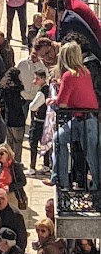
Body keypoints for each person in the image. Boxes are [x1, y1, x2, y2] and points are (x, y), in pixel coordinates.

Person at [50, 40, 100, 188]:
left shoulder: (68, 75)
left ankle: (62, 181)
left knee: (92, 158)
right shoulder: (85, 71)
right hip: (86, 119)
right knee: (60, 139)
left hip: (84, 120)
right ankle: (59, 178)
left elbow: (62, 103)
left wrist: (53, 100)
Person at [0, 69, 25, 160]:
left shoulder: (3, 87)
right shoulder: (17, 89)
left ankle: (9, 159)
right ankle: (16, 161)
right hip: (18, 118)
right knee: (18, 141)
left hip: (7, 118)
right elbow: (18, 103)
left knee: (9, 141)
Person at [26, 69, 50, 175]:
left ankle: (32, 167)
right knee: (44, 143)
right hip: (46, 121)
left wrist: (34, 108)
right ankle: (46, 165)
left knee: (33, 143)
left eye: (36, 78)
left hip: (39, 122)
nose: (34, 81)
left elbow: (32, 106)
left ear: (42, 79)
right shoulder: (49, 89)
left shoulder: (41, 92)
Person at [0, 144, 26, 210]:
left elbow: (23, 182)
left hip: (10, 194)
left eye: (1, 154)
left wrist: (10, 187)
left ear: (8, 153)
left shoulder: (15, 165)